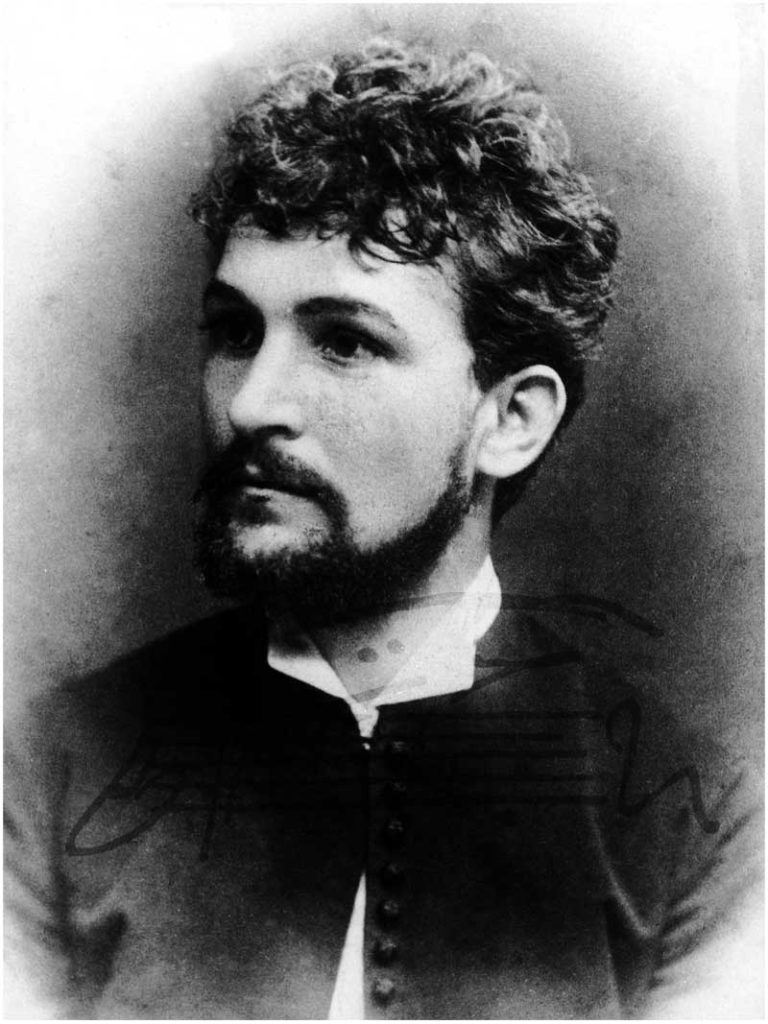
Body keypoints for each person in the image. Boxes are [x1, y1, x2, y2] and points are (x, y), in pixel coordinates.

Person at [5, 38, 761, 1019]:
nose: (252, 404)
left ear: (510, 419)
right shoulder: (52, 774)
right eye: (236, 331)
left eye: (346, 342)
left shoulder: (696, 825)